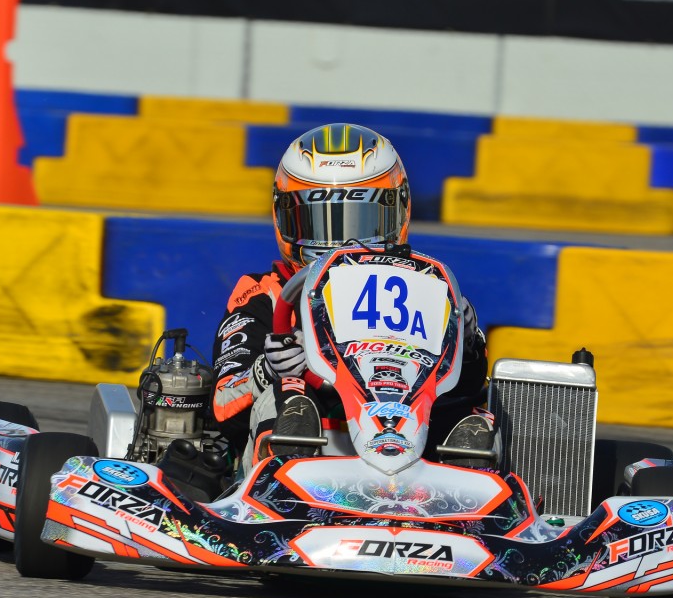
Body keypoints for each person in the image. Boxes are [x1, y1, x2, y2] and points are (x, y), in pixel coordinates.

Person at [211, 123, 494, 471]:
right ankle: (281, 483)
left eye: (360, 223)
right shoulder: (264, 294)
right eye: (319, 224)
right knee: (284, 396)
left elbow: (466, 387)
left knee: (478, 417)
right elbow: (223, 404)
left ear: (398, 210)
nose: (340, 244)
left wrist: (468, 340)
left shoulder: (420, 289)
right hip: (307, 455)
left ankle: (469, 491)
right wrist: (266, 370)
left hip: (407, 446)